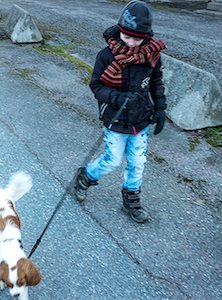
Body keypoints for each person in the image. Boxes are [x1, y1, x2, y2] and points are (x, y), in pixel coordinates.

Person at [73, 0, 167, 223]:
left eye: (138, 38)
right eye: (127, 37)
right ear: (119, 32)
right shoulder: (106, 55)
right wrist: (115, 97)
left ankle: (131, 199)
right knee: (112, 160)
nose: (132, 43)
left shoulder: (151, 56)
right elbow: (96, 86)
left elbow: (156, 83)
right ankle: (85, 176)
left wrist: (161, 108)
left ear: (146, 36)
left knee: (137, 162)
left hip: (140, 119)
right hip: (115, 119)